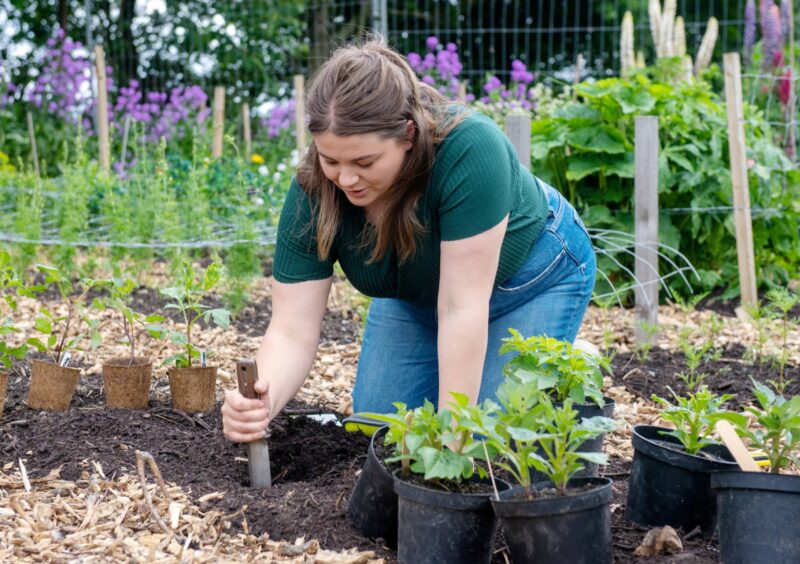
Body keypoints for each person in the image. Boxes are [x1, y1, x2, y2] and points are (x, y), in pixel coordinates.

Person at [222, 39, 596, 444]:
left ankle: (568, 361)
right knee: (378, 434)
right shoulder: (314, 190)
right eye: (331, 160)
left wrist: (455, 443)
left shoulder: (470, 149)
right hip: (422, 296)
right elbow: (292, 330)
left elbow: (461, 308)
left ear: (408, 134)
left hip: (531, 279)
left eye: (364, 162)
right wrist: (261, 401)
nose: (345, 179)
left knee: (491, 443)